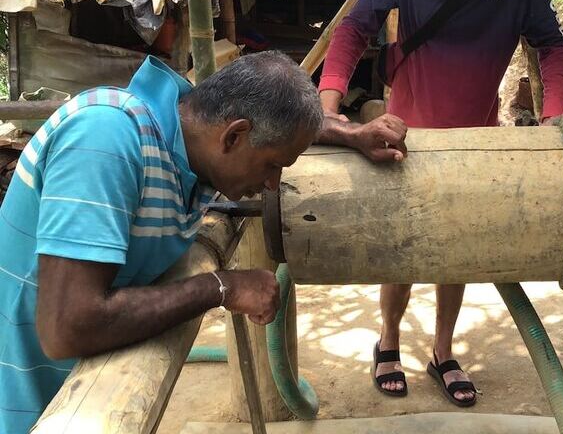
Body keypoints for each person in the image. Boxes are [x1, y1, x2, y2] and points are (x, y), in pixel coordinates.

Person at [316, 0, 563, 407]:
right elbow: (354, 27)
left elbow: (553, 45)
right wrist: (328, 111)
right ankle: (387, 339)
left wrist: (555, 120)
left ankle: (442, 350)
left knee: (455, 248)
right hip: (404, 134)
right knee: (402, 247)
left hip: (477, 136)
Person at [0, 51, 325, 433]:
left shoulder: (189, 131)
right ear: (234, 135)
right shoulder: (105, 139)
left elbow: (268, 124)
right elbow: (67, 326)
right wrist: (219, 287)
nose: (273, 184)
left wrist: (346, 132)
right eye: (273, 165)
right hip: (27, 409)